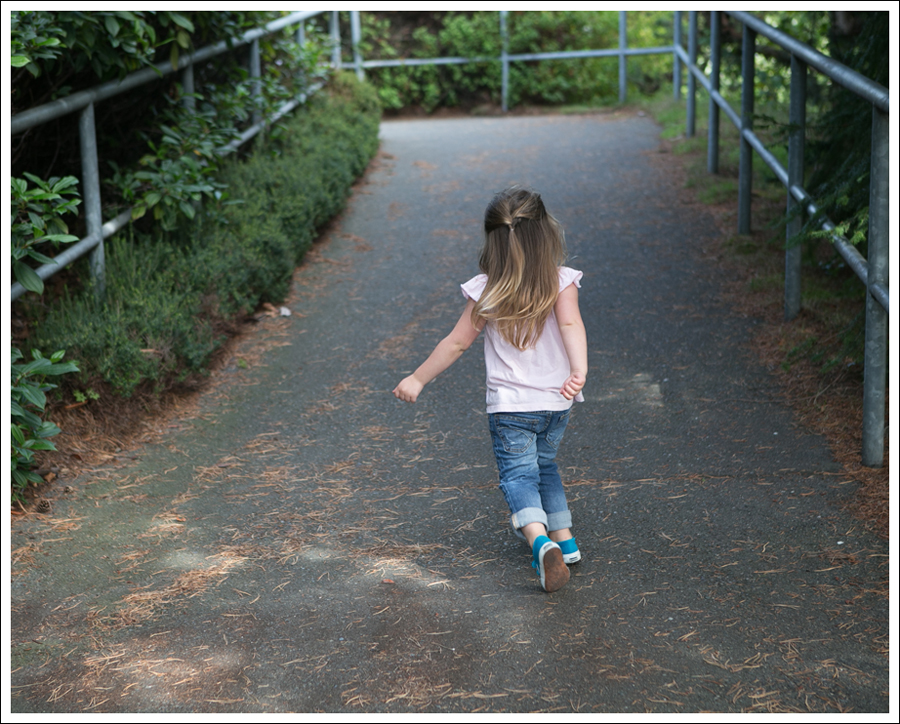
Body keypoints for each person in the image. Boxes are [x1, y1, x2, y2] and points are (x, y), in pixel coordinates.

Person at [393, 186, 587, 593]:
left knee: (518, 475)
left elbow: (457, 342)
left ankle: (540, 542)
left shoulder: (488, 288)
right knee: (545, 466)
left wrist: (417, 378)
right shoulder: (560, 280)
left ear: (493, 241)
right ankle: (566, 540)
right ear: (546, 232)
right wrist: (579, 370)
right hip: (557, 401)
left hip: (511, 407)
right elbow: (571, 326)